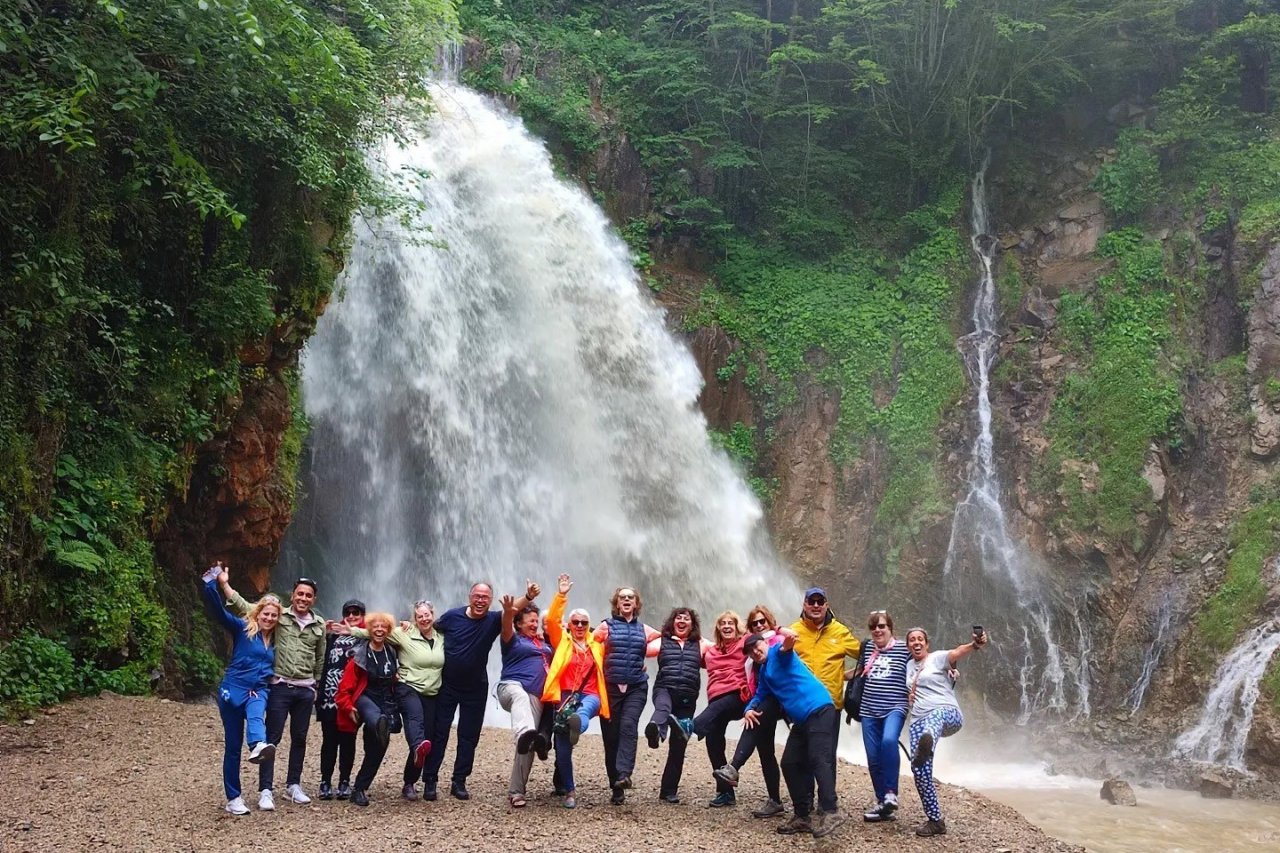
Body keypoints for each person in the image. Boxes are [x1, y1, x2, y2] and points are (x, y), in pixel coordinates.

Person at [221, 573, 326, 810]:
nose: (303, 598)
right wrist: (225, 584)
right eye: (300, 593)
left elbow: (320, 657)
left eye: (308, 595)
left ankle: (293, 785)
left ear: (314, 599)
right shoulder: (279, 617)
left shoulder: (319, 625)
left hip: (306, 688)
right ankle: (265, 790)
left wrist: (317, 684)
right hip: (279, 686)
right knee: (270, 740)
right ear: (293, 595)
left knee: (300, 738)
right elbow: (248, 607)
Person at [428, 580, 531, 801]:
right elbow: (429, 630)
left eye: (485, 597)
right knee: (439, 732)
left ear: (490, 600)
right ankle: (430, 780)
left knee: (469, 735)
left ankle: (459, 781)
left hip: (475, 687)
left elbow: (512, 610)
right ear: (469, 596)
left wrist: (528, 597)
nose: (480, 600)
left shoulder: (493, 620)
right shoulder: (451, 617)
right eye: (477, 596)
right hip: (447, 685)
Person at [335, 599, 446, 801]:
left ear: (389, 631)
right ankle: (383, 724)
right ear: (369, 630)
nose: (379, 630)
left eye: (383, 627)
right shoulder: (360, 654)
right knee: (377, 721)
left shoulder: (391, 650)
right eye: (375, 627)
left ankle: (359, 789)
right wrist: (347, 705)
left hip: (384, 699)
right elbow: (345, 686)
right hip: (364, 698)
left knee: (377, 747)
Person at [742, 630, 846, 839]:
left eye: (757, 647)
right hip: (802, 720)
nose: (755, 652)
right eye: (751, 652)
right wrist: (748, 709)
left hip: (819, 709)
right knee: (789, 763)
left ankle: (831, 810)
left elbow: (786, 648)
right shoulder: (764, 671)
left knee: (819, 758)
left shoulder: (777, 654)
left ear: (765, 644)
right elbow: (761, 694)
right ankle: (801, 816)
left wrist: (788, 640)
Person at [201, 562, 279, 816]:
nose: (268, 618)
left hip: (258, 689)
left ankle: (257, 744)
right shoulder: (243, 629)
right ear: (258, 614)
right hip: (232, 690)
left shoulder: (279, 641)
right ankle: (233, 797)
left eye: (273, 615)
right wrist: (214, 583)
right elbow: (218, 612)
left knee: (257, 714)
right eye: (265, 614)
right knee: (233, 746)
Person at [904, 626, 987, 837]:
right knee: (920, 771)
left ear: (927, 643)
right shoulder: (908, 667)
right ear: (908, 646)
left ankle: (928, 739)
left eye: (920, 639)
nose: (916, 642)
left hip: (947, 714)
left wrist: (975, 644)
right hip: (917, 721)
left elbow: (957, 653)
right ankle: (935, 821)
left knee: (934, 718)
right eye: (912, 639)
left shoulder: (938, 658)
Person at [541, 573, 609, 809]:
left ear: (589, 626)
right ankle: (569, 791)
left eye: (584, 622)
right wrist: (561, 595)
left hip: (590, 693)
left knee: (587, 708)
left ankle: (576, 723)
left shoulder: (597, 644)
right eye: (576, 622)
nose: (580, 626)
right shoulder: (563, 641)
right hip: (564, 696)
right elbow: (551, 620)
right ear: (569, 625)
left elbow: (626, 649)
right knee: (562, 750)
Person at [712, 604, 786, 818]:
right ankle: (775, 801)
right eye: (755, 623)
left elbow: (789, 644)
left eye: (763, 621)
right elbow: (759, 686)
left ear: (770, 622)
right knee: (766, 752)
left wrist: (781, 630)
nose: (759, 625)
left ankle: (734, 767)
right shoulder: (753, 650)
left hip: (779, 702)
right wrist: (749, 706)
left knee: (756, 721)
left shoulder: (777, 644)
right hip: (763, 700)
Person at [594, 585, 658, 804]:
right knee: (610, 738)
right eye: (623, 597)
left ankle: (624, 775)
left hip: (636, 687)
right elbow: (589, 648)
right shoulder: (605, 627)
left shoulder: (645, 630)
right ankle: (616, 786)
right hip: (610, 688)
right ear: (617, 603)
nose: (627, 600)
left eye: (631, 597)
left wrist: (644, 660)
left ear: (636, 603)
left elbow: (666, 640)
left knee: (629, 727)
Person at [642, 607, 706, 805]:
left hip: (687, 698)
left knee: (679, 745)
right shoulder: (662, 641)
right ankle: (655, 732)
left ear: (692, 624)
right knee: (662, 708)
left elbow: (724, 651)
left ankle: (668, 790)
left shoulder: (701, 645)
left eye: (686, 618)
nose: (682, 621)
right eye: (678, 618)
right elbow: (638, 646)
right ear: (672, 623)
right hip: (665, 689)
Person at [496, 585, 549, 808]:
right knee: (519, 698)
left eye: (536, 620)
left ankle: (517, 791)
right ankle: (523, 733)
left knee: (528, 746)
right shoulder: (513, 641)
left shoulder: (546, 644)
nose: (534, 624)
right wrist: (510, 610)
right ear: (519, 623)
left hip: (536, 696)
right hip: (511, 687)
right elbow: (506, 623)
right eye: (530, 620)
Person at [857, 609, 912, 823]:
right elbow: (859, 672)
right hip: (868, 709)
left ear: (890, 628)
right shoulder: (868, 647)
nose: (877, 630)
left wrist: (950, 669)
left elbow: (922, 659)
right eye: (874, 627)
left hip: (895, 707)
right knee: (873, 757)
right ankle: (882, 804)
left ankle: (890, 792)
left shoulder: (903, 648)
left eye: (882, 626)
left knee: (888, 741)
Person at [687, 610, 745, 808]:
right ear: (718, 628)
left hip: (738, 696)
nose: (727, 626)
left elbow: (768, 638)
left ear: (738, 627)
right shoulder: (711, 651)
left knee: (718, 707)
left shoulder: (744, 643)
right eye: (723, 623)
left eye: (731, 623)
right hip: (716, 699)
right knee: (713, 741)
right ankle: (725, 792)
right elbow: (687, 652)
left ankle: (692, 727)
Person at [316, 598, 365, 800]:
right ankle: (325, 781)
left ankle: (344, 781)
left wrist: (353, 631)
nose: (352, 616)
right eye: (348, 613)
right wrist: (324, 631)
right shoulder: (332, 635)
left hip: (352, 698)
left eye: (356, 613)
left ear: (363, 615)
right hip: (330, 695)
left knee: (348, 740)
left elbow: (384, 633)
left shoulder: (365, 635)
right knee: (329, 740)